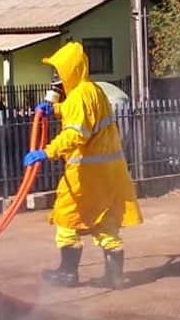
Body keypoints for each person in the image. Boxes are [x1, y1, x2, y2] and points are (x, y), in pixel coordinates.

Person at [23, 42, 142, 289]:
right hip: (108, 173)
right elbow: (81, 114)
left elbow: (75, 134)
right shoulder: (92, 90)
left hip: (85, 176)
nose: (56, 80)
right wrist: (54, 108)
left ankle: (68, 274)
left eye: (58, 73)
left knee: (66, 219)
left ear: (69, 71)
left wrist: (46, 152)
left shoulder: (78, 96)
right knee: (105, 223)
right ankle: (114, 277)